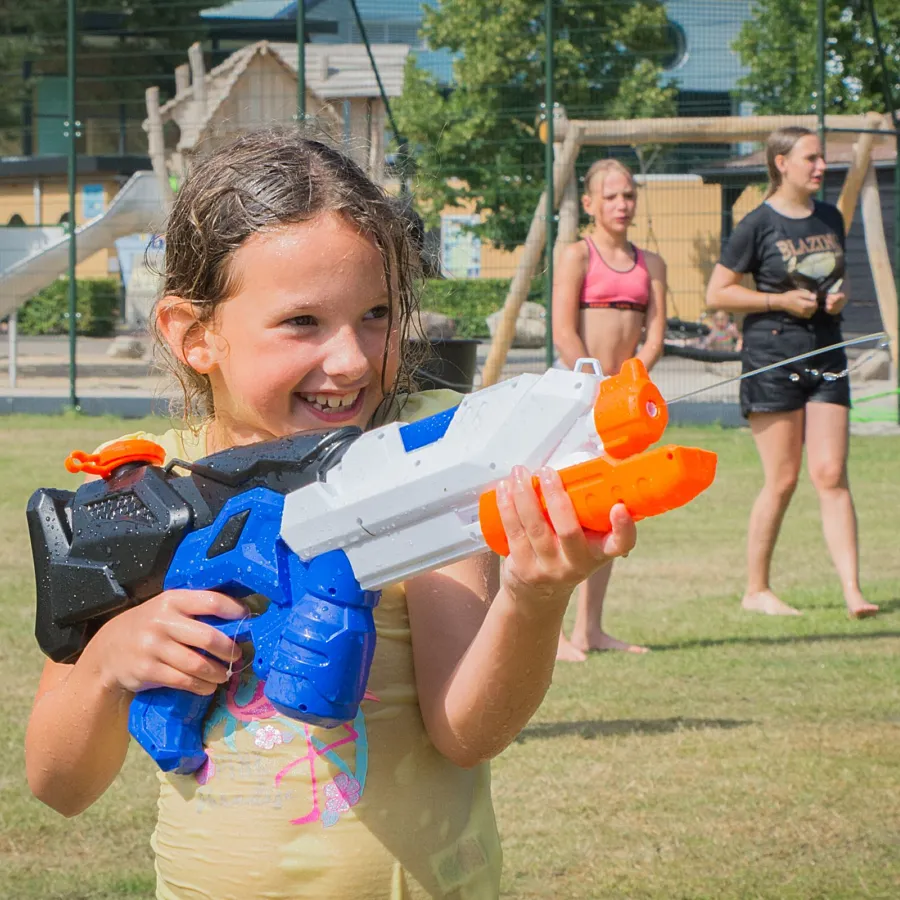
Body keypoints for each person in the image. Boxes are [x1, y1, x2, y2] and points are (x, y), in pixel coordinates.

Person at [24, 128, 638, 900]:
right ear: (194, 335)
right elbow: (58, 785)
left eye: (376, 314)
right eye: (303, 323)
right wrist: (112, 662)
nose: (350, 359)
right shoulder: (137, 495)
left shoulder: (433, 455)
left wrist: (535, 595)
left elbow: (469, 732)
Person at [705, 125, 877, 620]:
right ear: (781, 163)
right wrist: (778, 300)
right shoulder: (756, 224)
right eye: (811, 158)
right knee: (782, 479)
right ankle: (756, 589)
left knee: (831, 473)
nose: (821, 167)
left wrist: (834, 298)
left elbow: (830, 275)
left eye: (821, 158)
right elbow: (718, 293)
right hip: (772, 356)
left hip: (827, 350)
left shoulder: (829, 217)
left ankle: (853, 592)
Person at [551, 158, 668, 661]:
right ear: (591, 203)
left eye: (629, 195)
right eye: (613, 196)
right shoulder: (577, 255)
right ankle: (550, 632)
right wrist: (597, 386)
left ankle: (590, 630)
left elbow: (656, 334)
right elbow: (563, 330)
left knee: (612, 512)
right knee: (565, 514)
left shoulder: (652, 264)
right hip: (581, 399)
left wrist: (631, 384)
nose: (623, 204)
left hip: (625, 405)